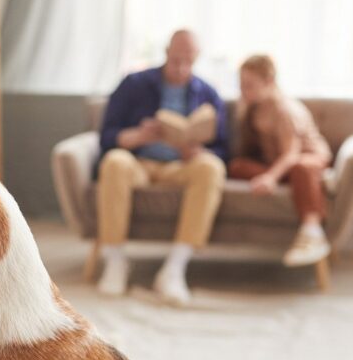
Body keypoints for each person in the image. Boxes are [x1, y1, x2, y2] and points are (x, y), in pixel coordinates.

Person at [95, 29, 227, 304]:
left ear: (197, 59)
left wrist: (199, 150)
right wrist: (138, 136)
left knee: (211, 167)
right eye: (176, 59)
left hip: (181, 167)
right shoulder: (134, 83)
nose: (181, 67)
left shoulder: (208, 94)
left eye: (188, 61)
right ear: (166, 52)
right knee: (114, 162)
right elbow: (106, 136)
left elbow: (225, 150)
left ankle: (175, 268)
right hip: (139, 163)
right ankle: (116, 260)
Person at [229, 54, 333, 267]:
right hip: (278, 163)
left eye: (249, 85)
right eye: (241, 85)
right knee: (237, 166)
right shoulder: (253, 107)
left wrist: (269, 177)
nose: (243, 90)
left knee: (300, 167)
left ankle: (312, 231)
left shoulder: (285, 110)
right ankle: (304, 185)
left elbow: (291, 154)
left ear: (269, 82)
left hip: (305, 159)